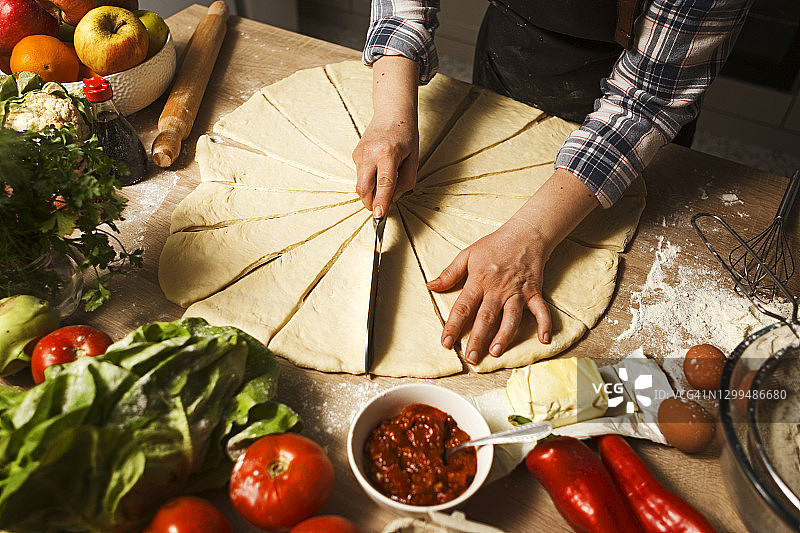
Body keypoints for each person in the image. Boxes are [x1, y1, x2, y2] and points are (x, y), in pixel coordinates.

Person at [352, 0, 752, 366]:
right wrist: (392, 114)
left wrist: (529, 236)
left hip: (624, 102)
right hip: (512, 43)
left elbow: (644, 100)